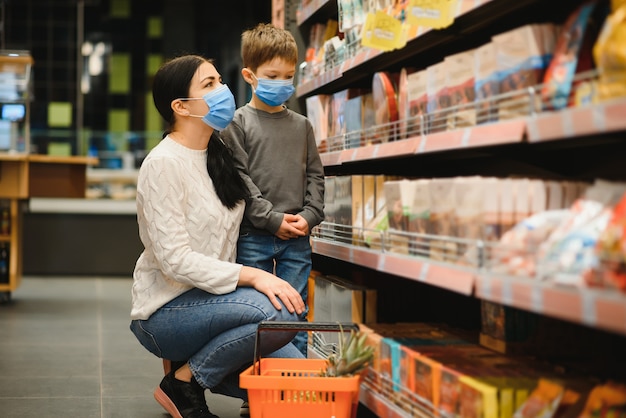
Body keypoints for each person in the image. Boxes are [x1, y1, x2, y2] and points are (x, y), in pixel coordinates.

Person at [129, 54, 305, 418]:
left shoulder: (218, 153)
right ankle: (185, 382)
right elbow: (175, 260)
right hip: (166, 311)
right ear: (181, 106)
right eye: (208, 85)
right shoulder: (163, 164)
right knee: (276, 314)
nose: (222, 90)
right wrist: (254, 276)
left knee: (296, 376)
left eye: (219, 81)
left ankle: (188, 370)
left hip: (218, 305)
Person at [222, 23, 325, 359]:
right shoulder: (238, 123)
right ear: (250, 75)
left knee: (296, 309)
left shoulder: (303, 125)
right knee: (257, 313)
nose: (282, 84)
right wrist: (271, 218)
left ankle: (292, 385)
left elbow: (315, 176)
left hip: (297, 235)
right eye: (272, 75)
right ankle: (256, 390)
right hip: (255, 234)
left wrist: (309, 217)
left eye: (288, 76)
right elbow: (240, 179)